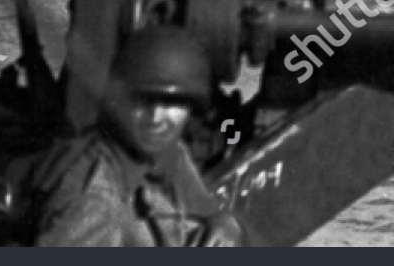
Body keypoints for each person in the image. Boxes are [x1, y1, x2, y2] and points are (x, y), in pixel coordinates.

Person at [30, 28, 243, 246]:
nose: (156, 117)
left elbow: (205, 208)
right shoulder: (96, 202)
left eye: (172, 103)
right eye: (144, 100)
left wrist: (223, 224)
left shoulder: (162, 153)